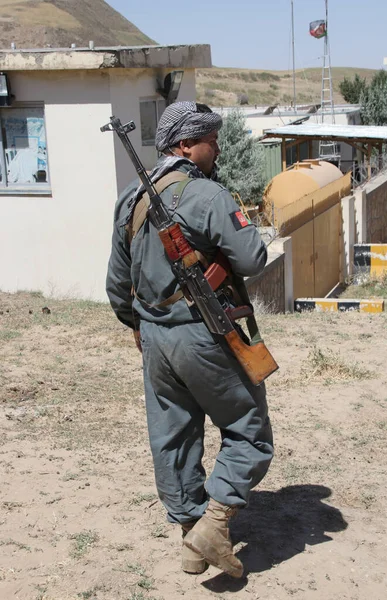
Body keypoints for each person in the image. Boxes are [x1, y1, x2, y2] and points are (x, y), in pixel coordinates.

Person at [106, 101, 273, 579]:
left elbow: (117, 284)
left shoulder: (130, 197)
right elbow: (254, 258)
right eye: (210, 140)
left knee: (173, 437)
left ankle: (189, 543)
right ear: (185, 145)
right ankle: (215, 525)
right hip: (204, 336)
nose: (217, 148)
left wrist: (139, 326)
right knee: (249, 430)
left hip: (155, 339)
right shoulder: (209, 195)